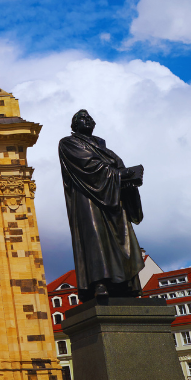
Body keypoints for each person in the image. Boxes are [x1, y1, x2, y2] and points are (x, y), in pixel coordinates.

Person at [58, 109, 144, 300]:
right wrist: (123, 175)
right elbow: (88, 167)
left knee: (123, 241)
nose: (87, 120)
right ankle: (99, 283)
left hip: (113, 201)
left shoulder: (106, 150)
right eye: (82, 118)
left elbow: (118, 169)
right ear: (74, 125)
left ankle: (126, 285)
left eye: (89, 117)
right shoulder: (69, 143)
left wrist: (131, 181)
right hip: (88, 199)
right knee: (95, 240)